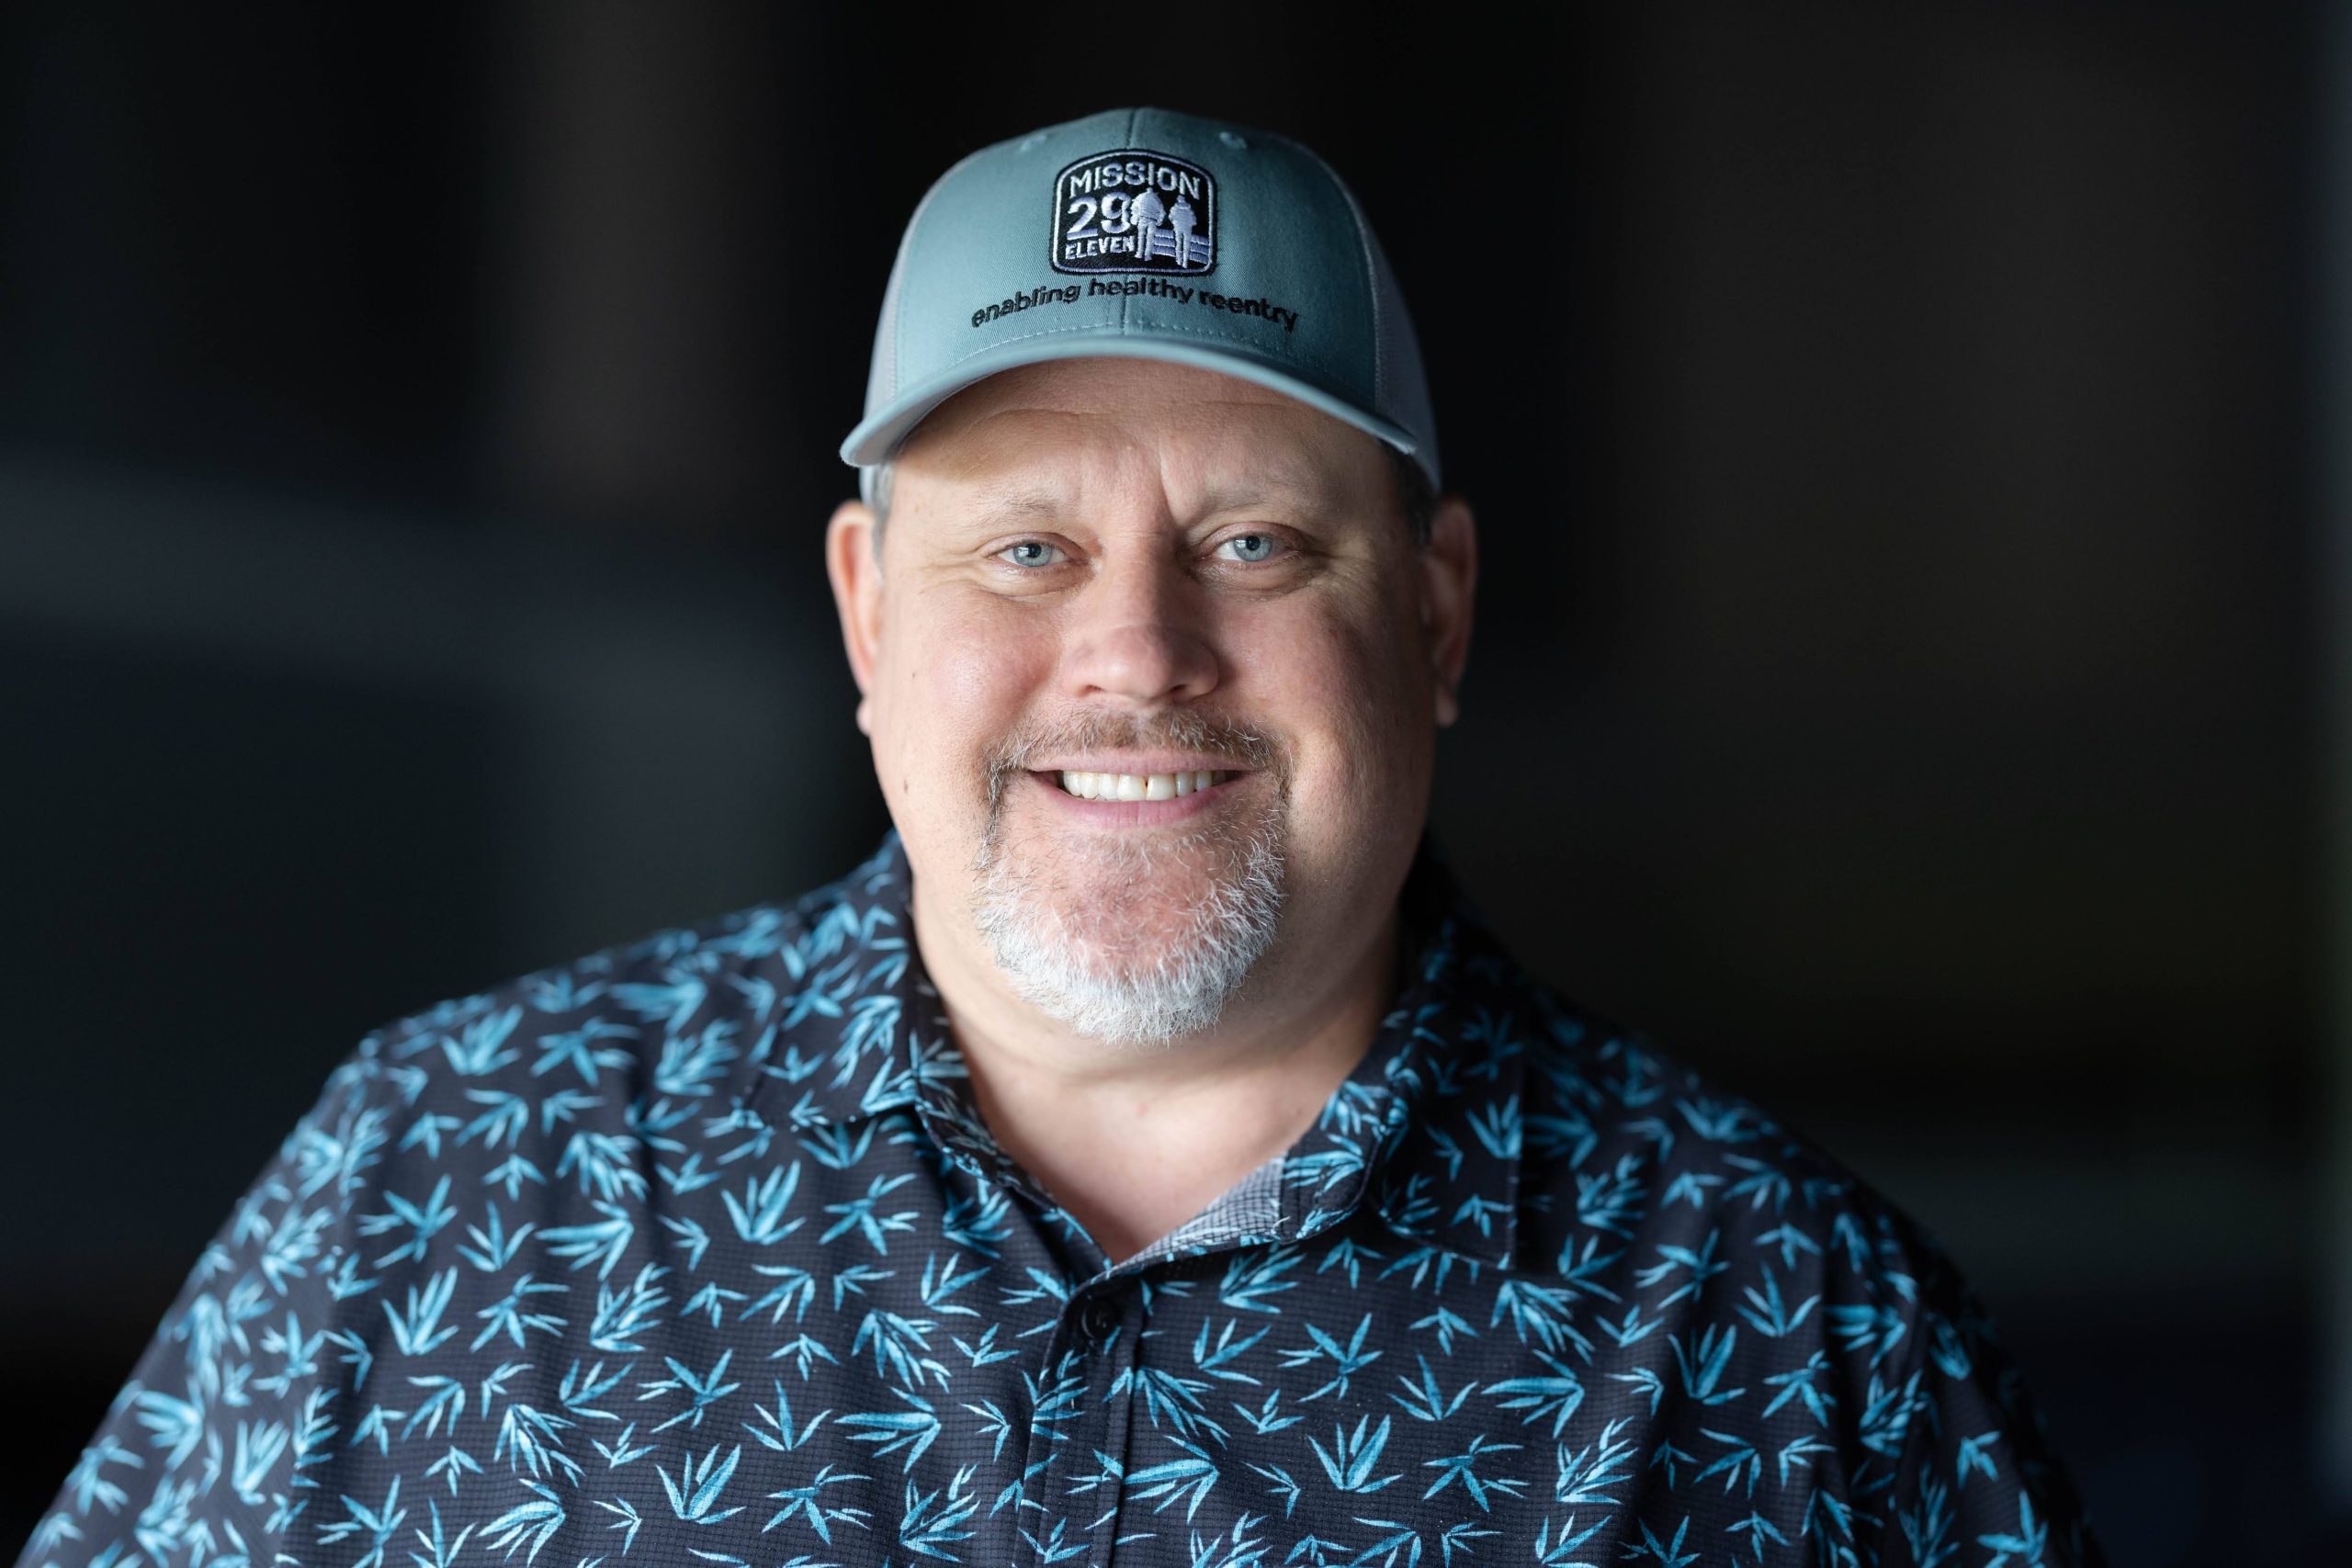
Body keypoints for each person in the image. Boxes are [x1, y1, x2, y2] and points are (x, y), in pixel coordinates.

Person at [17, 107, 2104, 1568]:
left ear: (1436, 612)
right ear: (861, 609)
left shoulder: (1787, 1321)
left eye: (1252, 540)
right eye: (1024, 546)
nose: (1134, 650)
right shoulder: (443, 1177)